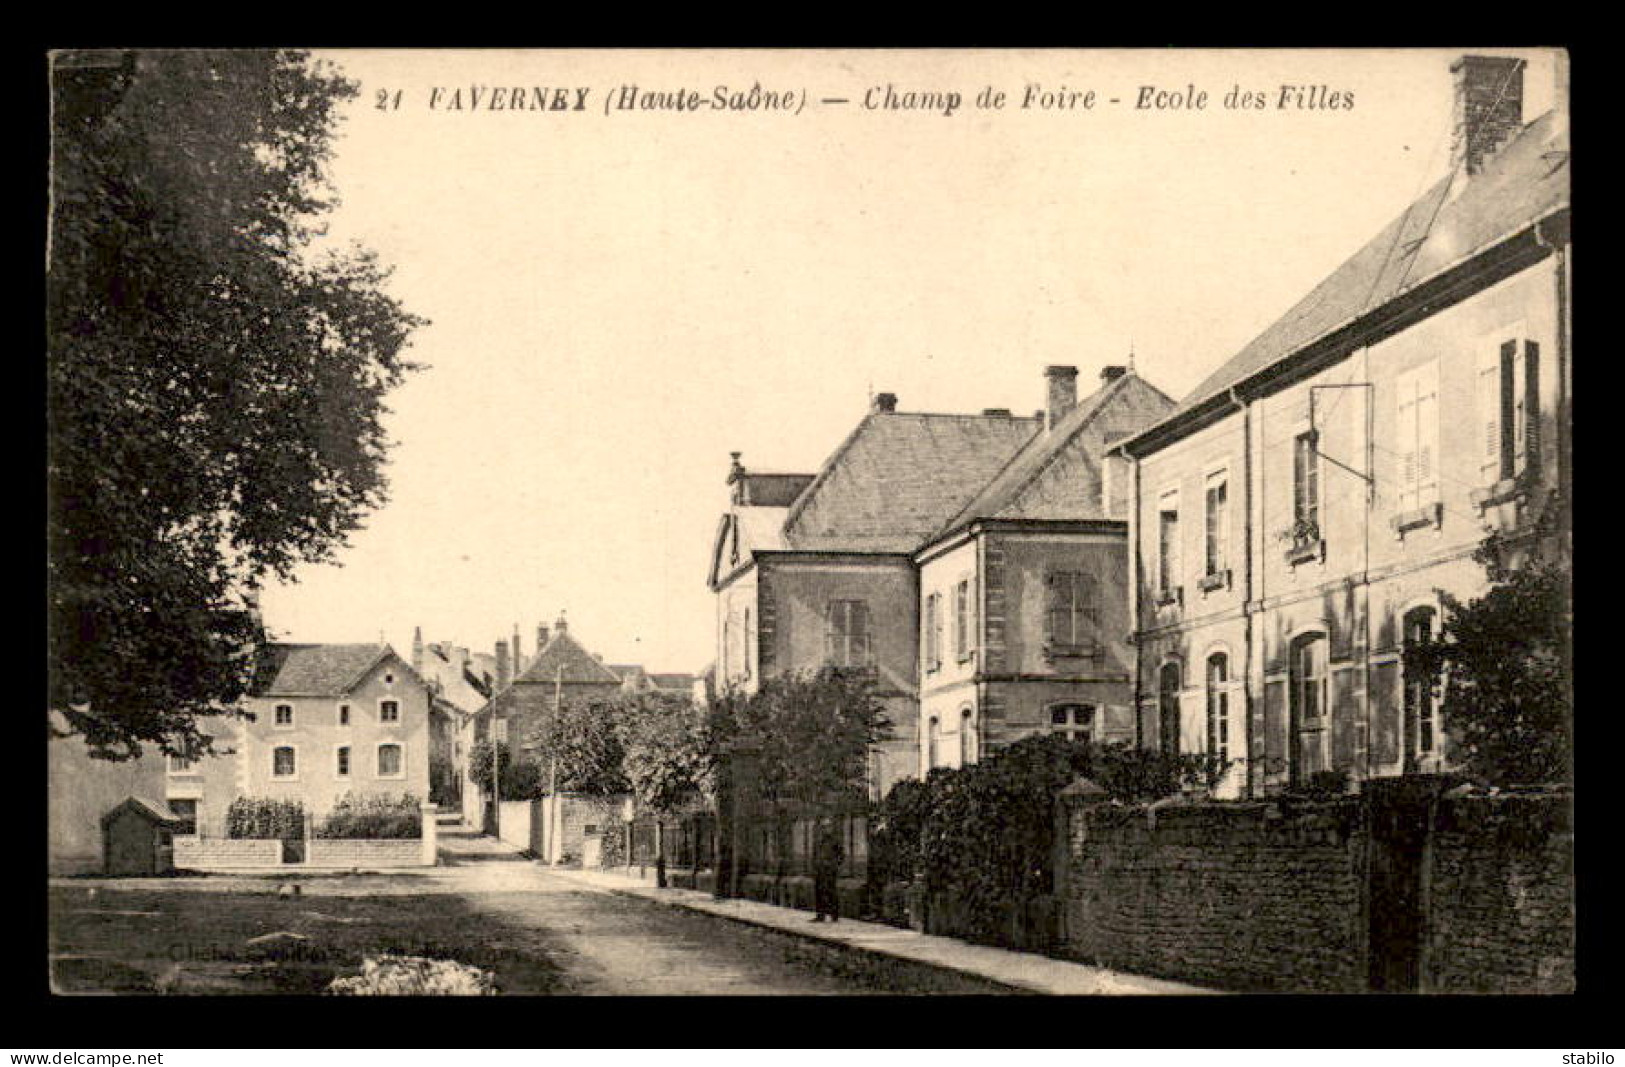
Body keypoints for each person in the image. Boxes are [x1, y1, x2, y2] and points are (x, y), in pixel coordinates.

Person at [811, 816, 844, 923]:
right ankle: (820, 915)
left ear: (831, 827)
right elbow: (815, 855)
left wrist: (834, 865)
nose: (826, 829)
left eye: (828, 826)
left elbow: (841, 855)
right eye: (824, 827)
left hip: (830, 870)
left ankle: (835, 915)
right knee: (819, 892)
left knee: (831, 892)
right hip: (820, 870)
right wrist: (815, 866)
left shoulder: (835, 841)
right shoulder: (819, 841)